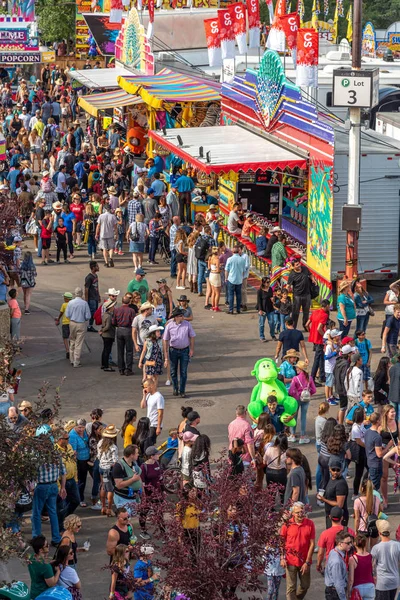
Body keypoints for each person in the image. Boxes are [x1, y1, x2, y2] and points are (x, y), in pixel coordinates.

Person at [280, 502, 315, 600]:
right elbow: (281, 542)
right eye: (297, 512)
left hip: (304, 561)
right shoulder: (287, 524)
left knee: (305, 585)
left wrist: (307, 562)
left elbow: (312, 544)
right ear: (292, 513)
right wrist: (282, 557)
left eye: (302, 511)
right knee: (291, 588)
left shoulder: (310, 523)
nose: (300, 514)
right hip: (290, 560)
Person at [163, 307, 195, 398]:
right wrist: (165, 356)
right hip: (173, 350)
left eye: (182, 316)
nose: (183, 317)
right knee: (173, 371)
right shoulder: (169, 326)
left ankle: (182, 390)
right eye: (181, 316)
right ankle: (175, 388)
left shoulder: (187, 324)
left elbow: (192, 336)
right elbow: (165, 340)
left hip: (185, 350)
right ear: (176, 317)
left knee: (183, 372)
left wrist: (192, 349)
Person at [317, 506, 355, 573]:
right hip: (346, 565)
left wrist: (318, 564)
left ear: (330, 517)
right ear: (342, 518)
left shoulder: (325, 534)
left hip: (330, 565)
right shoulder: (350, 531)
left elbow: (320, 553)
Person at [371, 519, 400, 600]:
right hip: (394, 581)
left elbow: (372, 565)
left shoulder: (376, 548)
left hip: (381, 582)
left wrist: (373, 576)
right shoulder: (397, 545)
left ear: (379, 533)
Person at [289, 360, 316, 444]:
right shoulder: (309, 378)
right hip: (306, 399)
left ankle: (293, 435)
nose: (296, 368)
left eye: (297, 367)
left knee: (294, 416)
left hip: (296, 399)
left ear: (300, 369)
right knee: (303, 417)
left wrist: (295, 394)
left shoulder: (295, 378)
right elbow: (314, 390)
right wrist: (308, 393)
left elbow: (290, 391)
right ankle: (302, 436)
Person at [317, 457, 349, 528]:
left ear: (341, 470)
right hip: (330, 515)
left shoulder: (341, 484)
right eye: (333, 469)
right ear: (329, 469)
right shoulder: (331, 479)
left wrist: (324, 500)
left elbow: (339, 505)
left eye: (338, 470)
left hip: (338, 518)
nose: (335, 472)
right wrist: (322, 496)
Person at [111, 446, 143, 515]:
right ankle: (127, 526)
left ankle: (129, 526)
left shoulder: (134, 463)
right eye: (137, 453)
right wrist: (133, 479)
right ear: (131, 455)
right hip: (123, 499)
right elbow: (119, 485)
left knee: (129, 520)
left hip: (134, 499)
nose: (138, 454)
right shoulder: (118, 466)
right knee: (125, 519)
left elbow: (139, 477)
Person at [65, 287, 91, 368]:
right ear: (81, 294)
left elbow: (67, 315)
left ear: (75, 293)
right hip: (81, 323)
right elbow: (88, 316)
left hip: (72, 323)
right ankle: (76, 361)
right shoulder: (84, 303)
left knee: (72, 340)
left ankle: (71, 359)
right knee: (78, 343)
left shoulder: (71, 303)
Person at [324, 530, 353, 600]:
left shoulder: (333, 551)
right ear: (340, 544)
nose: (351, 545)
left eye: (351, 542)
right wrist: (343, 598)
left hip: (333, 591)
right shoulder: (337, 561)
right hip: (335, 593)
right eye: (348, 543)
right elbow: (338, 583)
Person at [69, 419, 90, 506]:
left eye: (82, 427)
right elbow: (73, 452)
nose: (81, 429)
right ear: (75, 426)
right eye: (79, 427)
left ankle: (80, 497)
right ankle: (79, 499)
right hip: (78, 461)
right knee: (79, 480)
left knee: (83, 479)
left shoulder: (84, 432)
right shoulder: (72, 435)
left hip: (86, 460)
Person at [347, 534, 375, 600]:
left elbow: (351, 579)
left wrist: (348, 592)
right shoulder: (371, 557)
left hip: (357, 587)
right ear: (365, 543)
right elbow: (373, 573)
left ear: (355, 544)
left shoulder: (352, 559)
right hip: (370, 586)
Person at [113, 294, 136, 376]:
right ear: (129, 302)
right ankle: (128, 369)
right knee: (129, 351)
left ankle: (121, 369)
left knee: (120, 350)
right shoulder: (131, 311)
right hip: (128, 330)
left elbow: (113, 321)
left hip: (119, 330)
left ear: (122, 301)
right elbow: (133, 322)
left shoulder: (117, 310)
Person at [287, 259, 312, 330]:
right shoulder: (292, 274)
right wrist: (285, 292)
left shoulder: (305, 269)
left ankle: (305, 325)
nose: (299, 265)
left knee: (306, 312)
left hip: (307, 295)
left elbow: (310, 275)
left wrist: (313, 279)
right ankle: (293, 327)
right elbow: (289, 285)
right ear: (293, 266)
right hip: (297, 296)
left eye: (299, 264)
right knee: (295, 313)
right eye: (297, 265)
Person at [364, 413, 385, 491]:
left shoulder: (367, 432)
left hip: (370, 461)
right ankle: (372, 502)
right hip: (376, 464)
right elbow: (379, 454)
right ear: (378, 421)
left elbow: (371, 445)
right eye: (381, 419)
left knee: (371, 484)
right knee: (374, 488)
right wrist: (388, 447)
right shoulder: (377, 437)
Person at [140, 378, 165, 444]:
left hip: (154, 424)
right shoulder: (148, 395)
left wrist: (158, 427)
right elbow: (142, 406)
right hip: (148, 423)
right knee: (145, 441)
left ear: (151, 386)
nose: (144, 389)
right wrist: (144, 395)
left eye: (145, 387)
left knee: (149, 442)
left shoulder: (159, 397)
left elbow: (160, 413)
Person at [225, 245, 246, 315]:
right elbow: (243, 270)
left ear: (233, 251)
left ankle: (231, 310)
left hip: (231, 279)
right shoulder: (242, 260)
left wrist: (226, 278)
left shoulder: (229, 259)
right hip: (239, 279)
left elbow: (226, 270)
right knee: (238, 295)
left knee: (231, 295)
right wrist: (242, 278)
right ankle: (238, 309)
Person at [256, 276, 276, 342]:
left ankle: (272, 334)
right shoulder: (260, 291)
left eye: (269, 282)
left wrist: (273, 300)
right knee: (261, 324)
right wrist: (260, 310)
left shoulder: (270, 289)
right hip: (263, 309)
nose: (269, 283)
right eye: (267, 282)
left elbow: (272, 298)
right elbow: (259, 301)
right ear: (264, 283)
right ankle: (262, 336)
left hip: (270, 309)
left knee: (272, 322)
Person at [100, 299, 117, 372]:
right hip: (108, 335)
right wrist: (102, 330)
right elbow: (107, 326)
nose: (113, 308)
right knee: (107, 350)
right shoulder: (109, 316)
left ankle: (103, 364)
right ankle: (106, 366)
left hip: (105, 335)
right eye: (113, 306)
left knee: (105, 350)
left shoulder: (104, 314)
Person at [85, 260, 101, 332]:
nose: (98, 267)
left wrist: (99, 295)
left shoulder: (96, 276)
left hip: (95, 297)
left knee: (94, 312)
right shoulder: (89, 277)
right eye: (97, 266)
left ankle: (90, 325)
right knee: (92, 312)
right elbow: (86, 289)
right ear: (93, 267)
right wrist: (86, 299)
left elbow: (97, 287)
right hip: (91, 298)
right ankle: (89, 326)